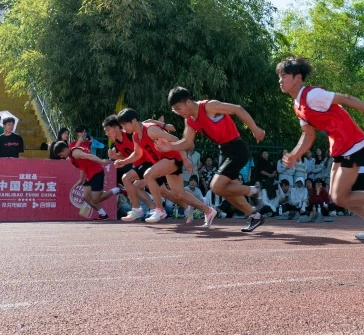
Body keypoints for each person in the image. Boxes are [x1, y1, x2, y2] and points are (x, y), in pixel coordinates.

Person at [275, 56, 364, 242]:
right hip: (339, 147)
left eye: (284, 76)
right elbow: (308, 135)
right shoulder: (297, 106)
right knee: (339, 198)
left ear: (298, 78)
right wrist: (295, 154)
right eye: (279, 76)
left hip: (352, 142)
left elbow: (346, 98)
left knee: (340, 198)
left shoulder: (312, 95)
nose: (280, 80)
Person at [164, 87, 268, 232]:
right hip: (224, 151)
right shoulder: (190, 121)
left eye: (178, 108)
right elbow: (187, 143)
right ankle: (255, 216)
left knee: (216, 186)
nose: (178, 112)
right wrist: (168, 146)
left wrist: (255, 128)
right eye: (175, 110)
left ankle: (254, 191)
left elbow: (238, 109)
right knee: (225, 191)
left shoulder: (209, 106)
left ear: (188, 102)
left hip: (237, 148)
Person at [116, 107, 217, 226]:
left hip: (172, 158)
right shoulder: (135, 136)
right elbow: (137, 154)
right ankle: (209, 211)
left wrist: (185, 159)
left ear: (133, 121)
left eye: (124, 125)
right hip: (164, 162)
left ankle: (159, 209)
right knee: (179, 194)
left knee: (149, 174)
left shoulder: (150, 130)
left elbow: (175, 139)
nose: (123, 128)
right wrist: (125, 161)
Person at [103, 115, 158, 222]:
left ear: (117, 128)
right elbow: (128, 156)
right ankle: (153, 209)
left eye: (108, 130)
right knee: (135, 186)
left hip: (152, 163)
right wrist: (116, 157)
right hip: (142, 166)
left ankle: (145, 209)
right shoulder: (117, 144)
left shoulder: (130, 135)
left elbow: (139, 152)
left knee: (129, 181)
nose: (106, 133)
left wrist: (162, 125)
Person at [50, 140, 116, 219]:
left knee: (95, 199)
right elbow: (83, 165)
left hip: (96, 172)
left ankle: (117, 189)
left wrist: (101, 161)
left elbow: (89, 156)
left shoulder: (75, 153)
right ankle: (103, 214)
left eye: (61, 154)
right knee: (86, 198)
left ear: (64, 150)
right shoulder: (72, 154)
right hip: (89, 175)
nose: (61, 157)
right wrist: (81, 180)